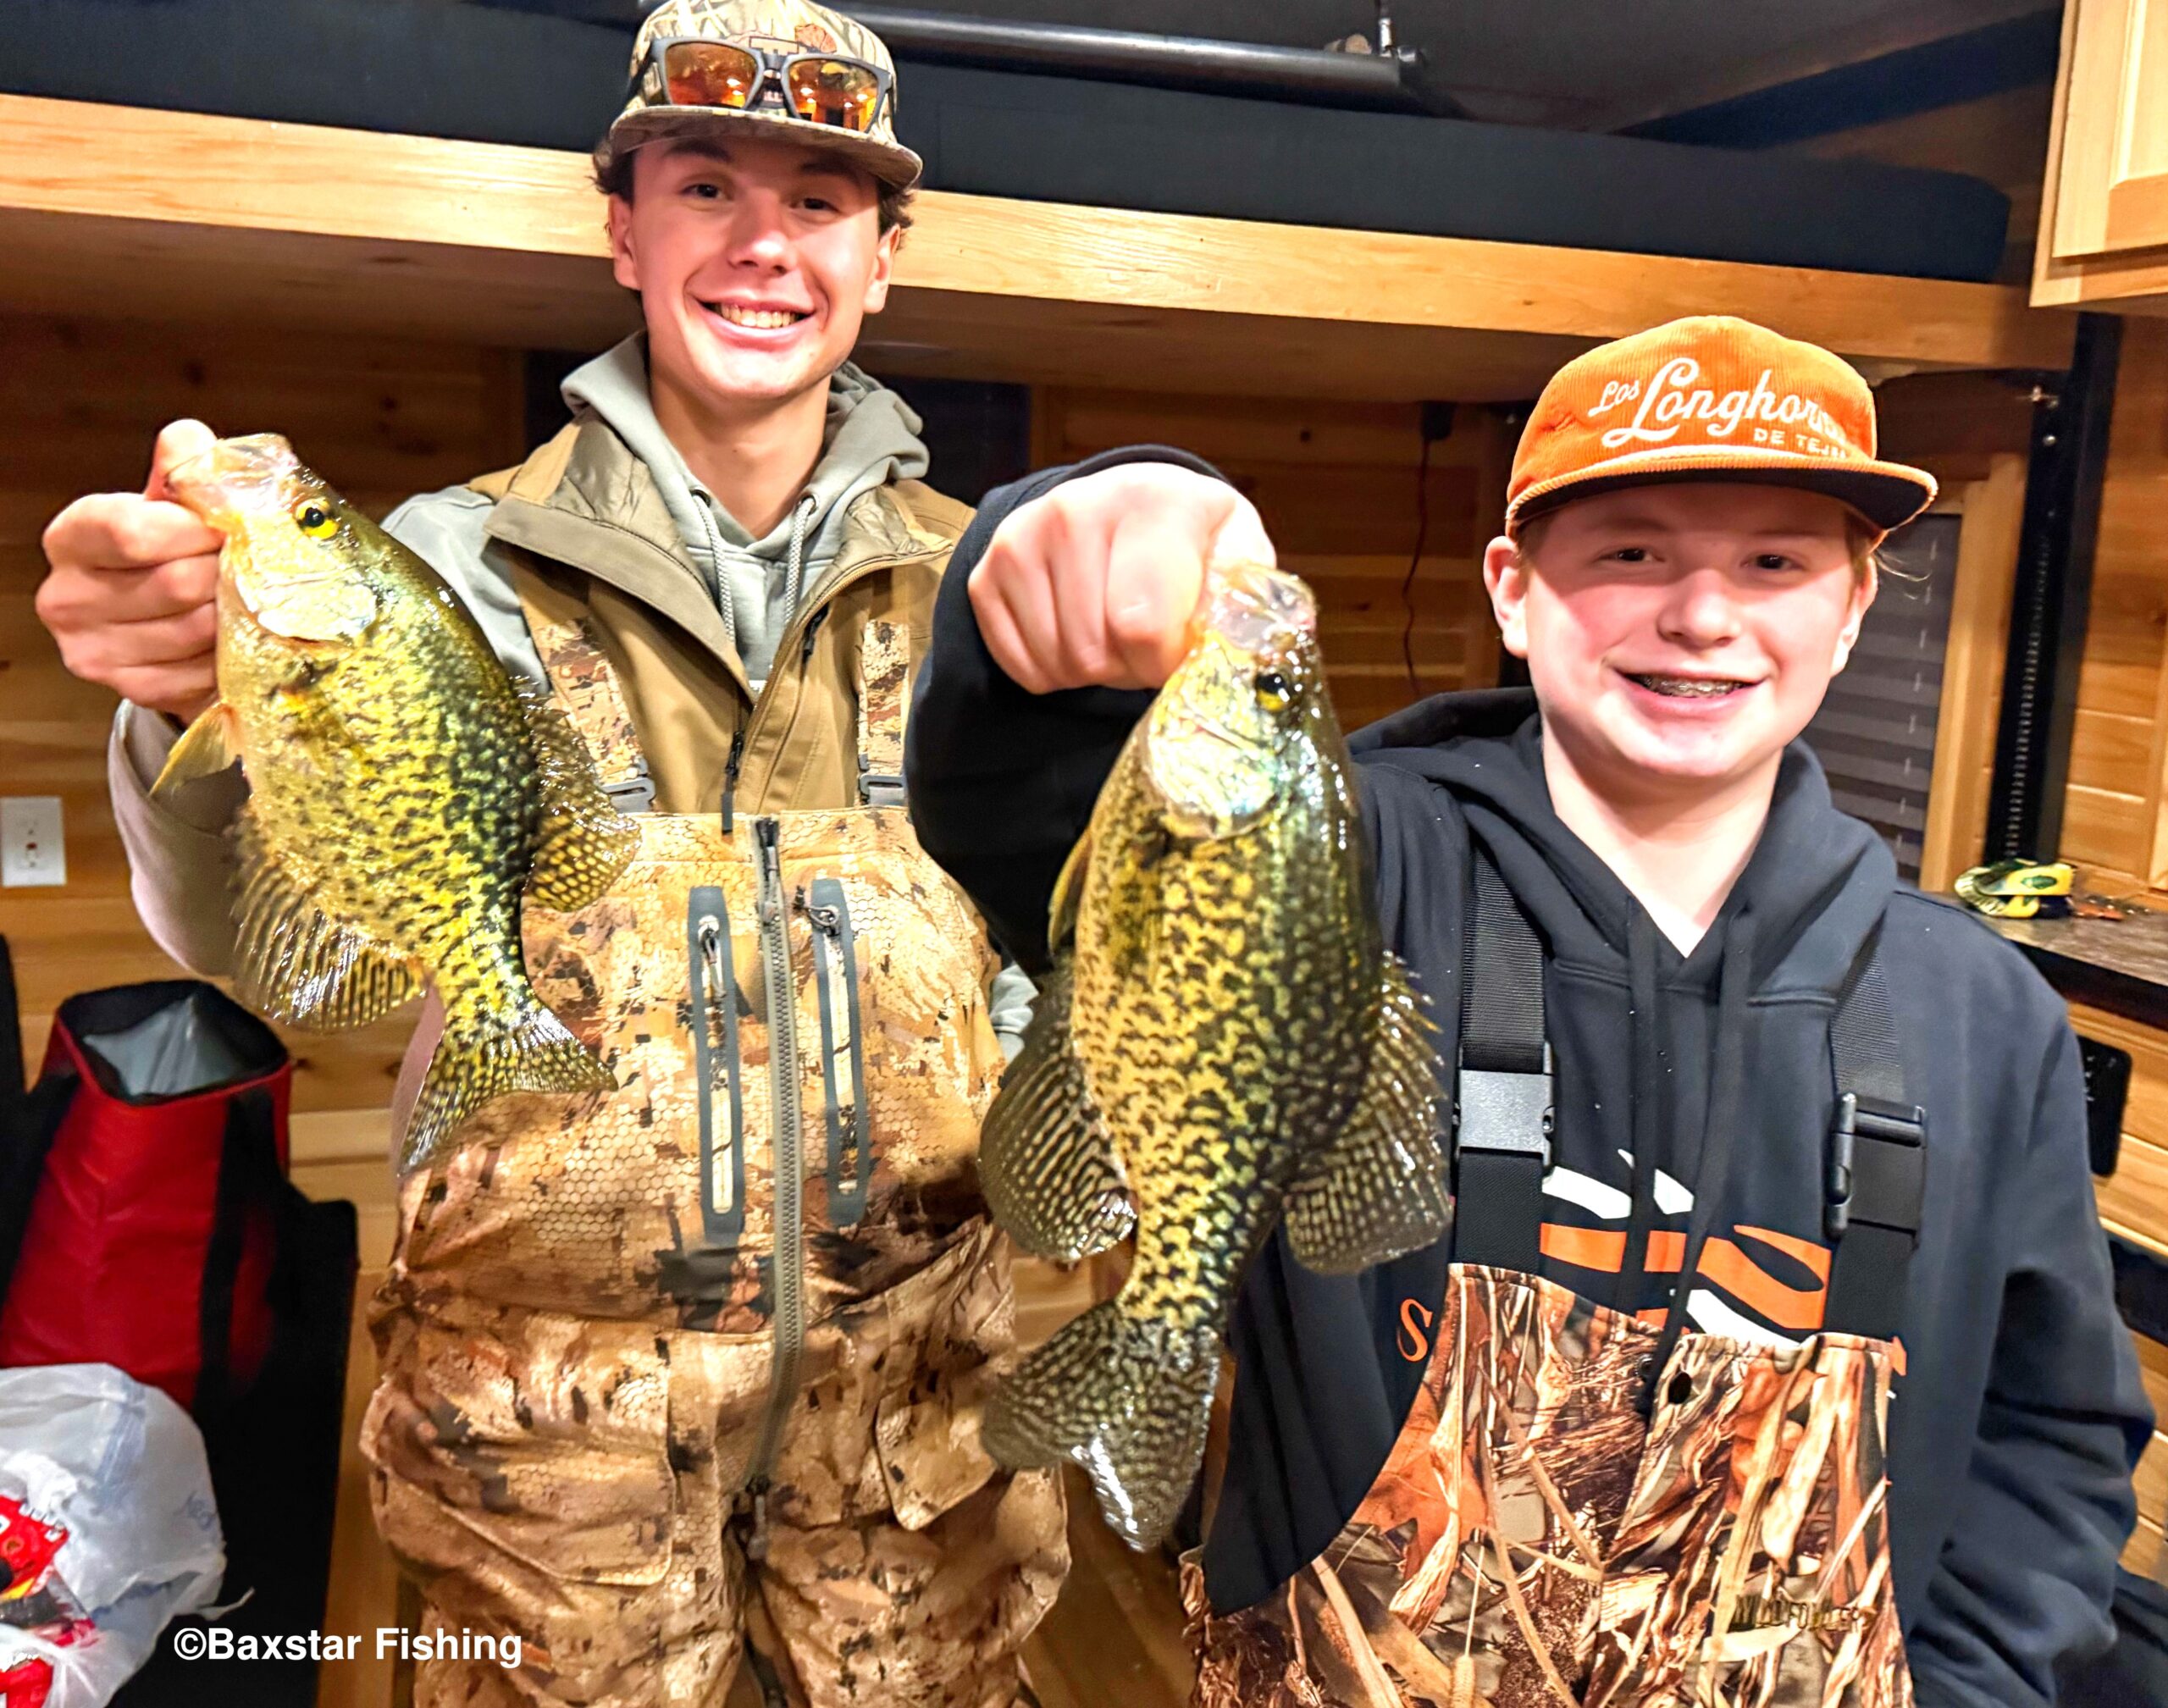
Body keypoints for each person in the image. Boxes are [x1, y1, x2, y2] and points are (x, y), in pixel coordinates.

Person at [35, 3, 1065, 1704]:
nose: (760, 243)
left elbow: (1041, 940)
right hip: (545, 1454)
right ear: (623, 228)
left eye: (819, 202)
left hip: (915, 1434)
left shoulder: (987, 594)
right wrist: (180, 704)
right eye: (706, 184)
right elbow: (248, 939)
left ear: (884, 255)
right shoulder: (441, 567)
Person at [904, 316, 2150, 1707]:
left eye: (1777, 561)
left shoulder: (1984, 1011)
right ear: (1512, 587)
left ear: (1855, 607)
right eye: (1631, 551)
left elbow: (2048, 1439)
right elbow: (1024, 805)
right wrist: (1079, 531)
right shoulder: (1342, 875)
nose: (1703, 613)